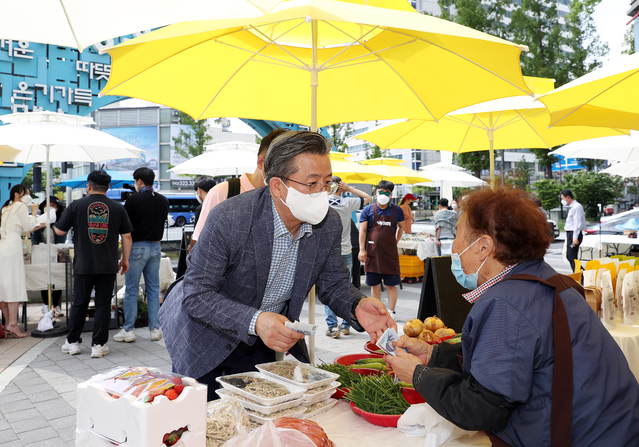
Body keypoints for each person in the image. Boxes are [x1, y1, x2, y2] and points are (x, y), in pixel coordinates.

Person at [385, 188, 639, 447]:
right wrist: (433, 356)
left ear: (483, 247)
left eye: (458, 237)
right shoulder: (548, 279)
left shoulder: (505, 304)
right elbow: (513, 359)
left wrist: (418, 376)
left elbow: (482, 409)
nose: (454, 247)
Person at [159, 131, 396, 401]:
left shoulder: (327, 224)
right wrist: (256, 320)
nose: (321, 193)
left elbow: (333, 283)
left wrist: (356, 305)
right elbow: (197, 294)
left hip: (262, 341)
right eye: (311, 183)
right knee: (204, 425)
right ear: (277, 186)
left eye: (327, 183)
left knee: (256, 420)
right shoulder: (230, 217)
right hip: (204, 337)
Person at [55, 170, 133, 358]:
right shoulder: (117, 208)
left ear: (88, 186)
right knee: (103, 304)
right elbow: (127, 236)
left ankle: (72, 342)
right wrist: (125, 259)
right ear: (108, 187)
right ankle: (98, 345)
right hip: (107, 264)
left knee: (79, 303)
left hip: (84, 264)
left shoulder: (76, 205)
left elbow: (58, 231)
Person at [188, 128, 288, 252]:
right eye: (281, 164)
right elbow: (198, 244)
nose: (286, 171)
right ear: (261, 162)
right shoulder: (223, 192)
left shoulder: (288, 195)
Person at [113, 168, 169, 343]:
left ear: (139, 181)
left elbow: (126, 231)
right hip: (156, 247)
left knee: (131, 289)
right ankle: (155, 329)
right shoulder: (163, 201)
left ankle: (129, 330)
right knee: (153, 289)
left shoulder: (133, 201)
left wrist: (124, 256)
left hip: (136, 247)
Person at [325, 176, 371, 338]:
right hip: (346, 251)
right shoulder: (347, 203)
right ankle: (346, 324)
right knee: (347, 288)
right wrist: (349, 189)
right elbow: (368, 198)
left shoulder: (320, 203)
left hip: (328, 254)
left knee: (328, 289)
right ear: (340, 187)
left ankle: (332, 327)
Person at [358, 180, 405, 321]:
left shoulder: (397, 210)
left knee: (391, 285)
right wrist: (362, 250)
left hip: (390, 254)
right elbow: (363, 230)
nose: (383, 195)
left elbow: (402, 226)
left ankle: (391, 311)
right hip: (372, 254)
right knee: (375, 284)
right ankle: (377, 310)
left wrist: (395, 241)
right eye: (381, 192)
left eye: (387, 193)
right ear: (376, 192)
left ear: (391, 195)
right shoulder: (368, 210)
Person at [0, 185, 42, 338]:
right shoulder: (20, 206)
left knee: (4, 285)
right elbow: (29, 226)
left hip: (3, 246)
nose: (29, 196)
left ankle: (7, 323)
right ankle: (12, 324)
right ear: (18, 195)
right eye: (27, 193)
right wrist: (35, 212)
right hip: (12, 247)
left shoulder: (6, 208)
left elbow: (19, 228)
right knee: (14, 285)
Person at [32, 196, 66, 316]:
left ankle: (55, 306)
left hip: (56, 254)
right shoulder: (38, 222)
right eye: (47, 205)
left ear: (57, 208)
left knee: (57, 280)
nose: (50, 207)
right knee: (43, 280)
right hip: (41, 254)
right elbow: (34, 239)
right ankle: (46, 305)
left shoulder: (61, 222)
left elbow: (62, 238)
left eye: (53, 205)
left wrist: (53, 223)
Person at [561, 189, 586, 272]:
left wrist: (575, 237)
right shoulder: (572, 207)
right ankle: (582, 275)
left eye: (563, 199)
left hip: (574, 234)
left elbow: (577, 223)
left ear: (568, 197)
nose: (562, 201)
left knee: (571, 256)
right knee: (571, 256)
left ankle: (582, 275)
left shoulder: (576, 207)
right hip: (571, 233)